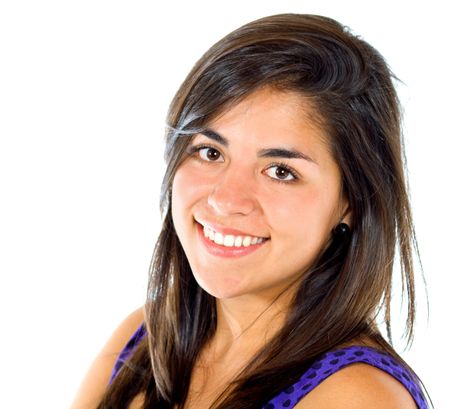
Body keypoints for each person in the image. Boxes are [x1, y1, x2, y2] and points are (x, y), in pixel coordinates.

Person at [71, 13, 431, 409]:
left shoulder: (357, 398)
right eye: (211, 152)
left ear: (351, 204)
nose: (226, 199)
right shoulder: (140, 338)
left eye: (280, 171)